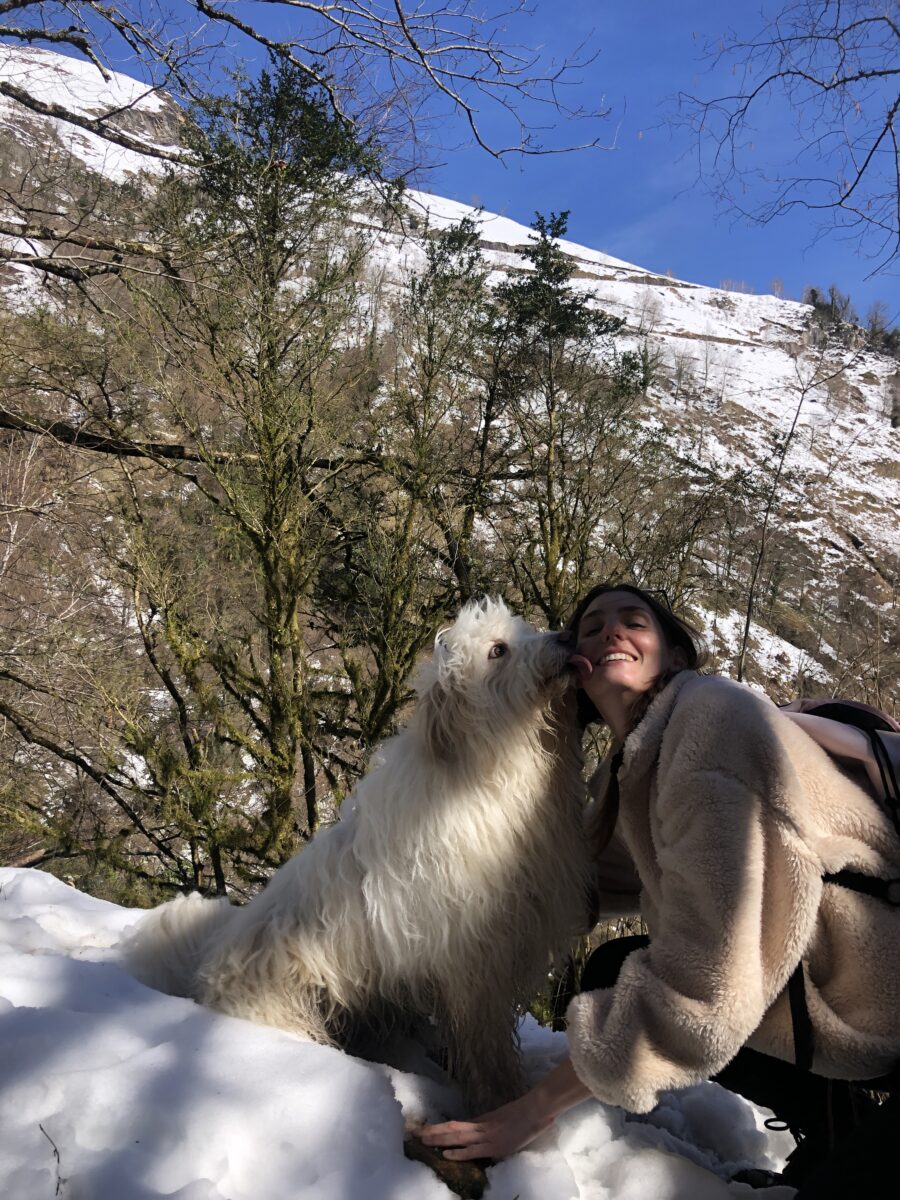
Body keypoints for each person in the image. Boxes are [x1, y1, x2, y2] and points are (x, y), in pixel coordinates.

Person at [419, 583, 900, 1194]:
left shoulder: (713, 728)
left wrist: (530, 1111)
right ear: (577, 667)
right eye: (590, 627)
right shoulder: (632, 767)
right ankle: (838, 1126)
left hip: (880, 1004)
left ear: (675, 657)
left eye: (634, 621)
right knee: (612, 971)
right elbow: (580, 887)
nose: (610, 632)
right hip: (854, 1000)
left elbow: (708, 988)